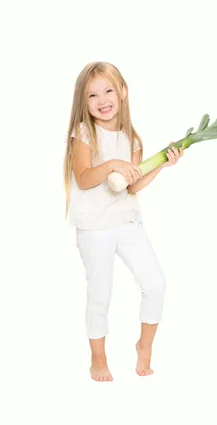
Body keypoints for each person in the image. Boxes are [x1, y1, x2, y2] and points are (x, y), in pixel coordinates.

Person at [63, 62, 183, 381]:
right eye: (92, 95)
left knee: (155, 284)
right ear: (83, 101)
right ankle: (98, 359)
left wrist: (160, 166)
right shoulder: (84, 133)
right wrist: (113, 163)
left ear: (122, 92)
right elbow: (85, 178)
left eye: (108, 90)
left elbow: (132, 186)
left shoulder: (132, 138)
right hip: (94, 227)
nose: (102, 99)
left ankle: (144, 345)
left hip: (127, 221)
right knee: (100, 293)